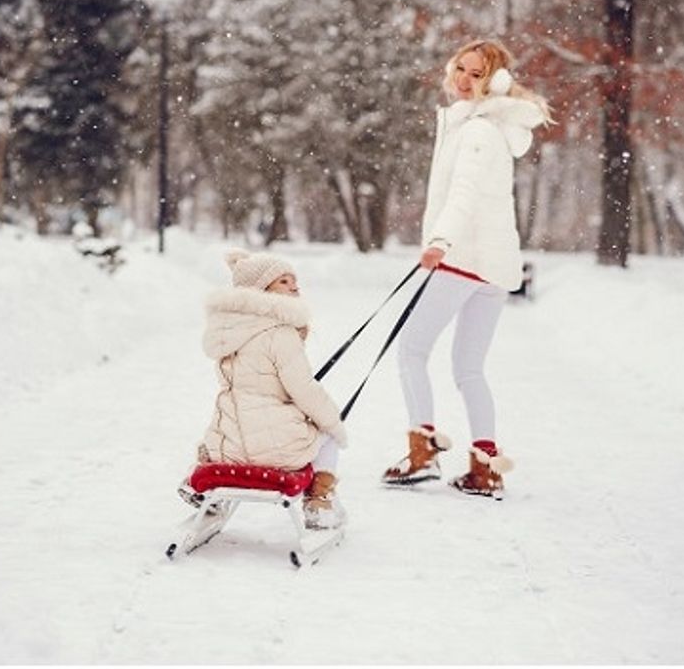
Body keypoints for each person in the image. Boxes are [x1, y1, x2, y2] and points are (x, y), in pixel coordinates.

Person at [382, 38, 551, 498]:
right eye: (460, 68)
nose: (463, 80)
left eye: (476, 74)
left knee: (411, 351)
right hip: (493, 268)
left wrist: (440, 240)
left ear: (494, 83)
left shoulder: (476, 130)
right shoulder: (487, 127)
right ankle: (484, 467)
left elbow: (465, 194)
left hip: (464, 259)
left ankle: (422, 453)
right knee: (469, 368)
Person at [190, 248, 349, 528]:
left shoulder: (227, 333)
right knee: (329, 433)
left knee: (219, 427)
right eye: (284, 281)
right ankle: (319, 503)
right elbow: (304, 391)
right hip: (279, 452)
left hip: (227, 450)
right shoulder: (280, 333)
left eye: (294, 279)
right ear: (262, 290)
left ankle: (199, 488)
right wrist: (335, 424)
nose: (295, 286)